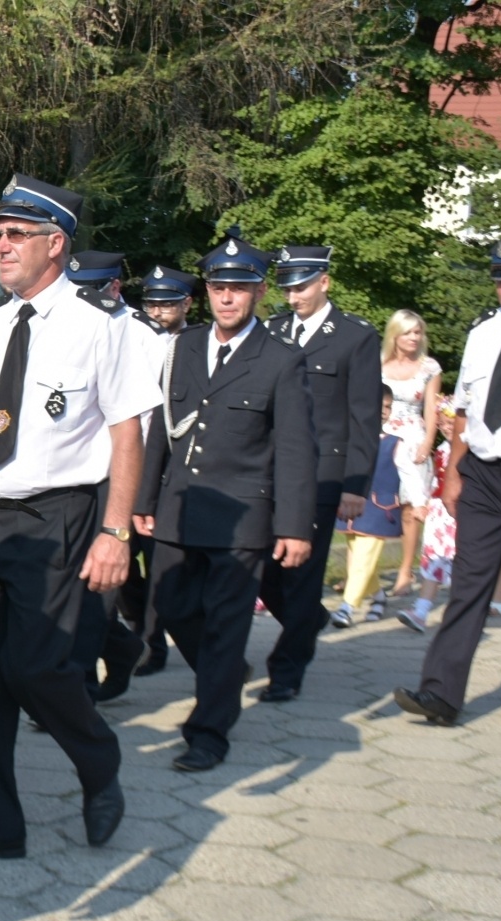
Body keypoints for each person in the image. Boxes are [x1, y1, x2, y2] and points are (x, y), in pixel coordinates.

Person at [0, 174, 157, 864]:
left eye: (16, 234)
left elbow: (127, 435)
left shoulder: (106, 326)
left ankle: (98, 765)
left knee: (38, 670)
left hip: (58, 519)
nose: (1, 246)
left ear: (57, 244)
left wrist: (115, 531)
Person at [134, 235, 317, 771]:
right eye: (218, 288)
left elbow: (294, 449)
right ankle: (224, 673)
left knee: (225, 624)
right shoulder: (183, 346)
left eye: (239, 289)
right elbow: (159, 433)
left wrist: (294, 526)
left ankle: (208, 732)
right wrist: (144, 498)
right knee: (169, 605)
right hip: (179, 504)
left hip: (243, 515)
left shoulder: (281, 359)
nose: (228, 298)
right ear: (206, 292)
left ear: (260, 292)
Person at [395, 237, 501, 728]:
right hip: (485, 475)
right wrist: (454, 475)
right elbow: (466, 409)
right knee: (468, 583)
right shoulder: (484, 333)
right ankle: (441, 694)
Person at [255, 246, 382, 700]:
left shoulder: (355, 337)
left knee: (303, 573)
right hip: (272, 471)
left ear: (324, 282)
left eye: (302, 286)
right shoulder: (272, 330)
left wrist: (354, 485)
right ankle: (308, 620)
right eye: (287, 287)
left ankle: (286, 672)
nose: (293, 296)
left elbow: (365, 417)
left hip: (325, 474)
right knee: (264, 570)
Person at [64, 250, 170, 702]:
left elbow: (149, 424)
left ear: (115, 288)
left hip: (117, 471)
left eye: (93, 288)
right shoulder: (66, 323)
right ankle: (122, 646)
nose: (83, 297)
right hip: (68, 471)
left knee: (96, 585)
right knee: (68, 582)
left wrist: (139, 497)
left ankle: (77, 688)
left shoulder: (144, 335)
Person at [129, 265, 200, 678]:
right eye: (151, 302)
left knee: (164, 572)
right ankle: (140, 631)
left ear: (186, 303)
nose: (157, 310)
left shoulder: (197, 345)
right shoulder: (134, 337)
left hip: (169, 473)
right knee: (120, 565)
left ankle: (156, 645)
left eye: (167, 302)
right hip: (127, 464)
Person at [381, 309, 442, 596]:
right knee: (377, 502)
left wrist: (427, 442)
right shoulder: (377, 363)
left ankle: (406, 571)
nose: (414, 337)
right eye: (408, 332)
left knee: (410, 505)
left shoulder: (429, 367)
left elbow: (432, 408)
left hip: (413, 436)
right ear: (395, 334)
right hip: (382, 436)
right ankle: (365, 572)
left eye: (418, 332)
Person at [328, 386, 400, 627]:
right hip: (350, 509)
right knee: (360, 557)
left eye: (388, 407)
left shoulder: (395, 443)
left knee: (364, 555)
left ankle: (347, 607)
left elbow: (410, 475)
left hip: (380, 509)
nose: (383, 412)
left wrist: (418, 502)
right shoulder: (349, 439)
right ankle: (378, 596)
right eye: (379, 407)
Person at [398, 396, 458, 634]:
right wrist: (422, 503)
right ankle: (421, 610)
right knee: (434, 558)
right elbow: (433, 481)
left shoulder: (472, 451)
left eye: (451, 423)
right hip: (440, 512)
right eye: (442, 423)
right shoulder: (442, 450)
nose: (447, 427)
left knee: (461, 562)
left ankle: (460, 613)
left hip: (463, 513)